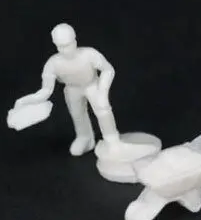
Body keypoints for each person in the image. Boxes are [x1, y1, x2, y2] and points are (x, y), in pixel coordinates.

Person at [13, 23, 121, 156]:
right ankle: (85, 137)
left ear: (74, 41)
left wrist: (103, 93)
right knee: (77, 113)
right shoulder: (53, 63)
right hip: (72, 89)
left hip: (92, 85)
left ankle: (112, 139)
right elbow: (46, 91)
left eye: (68, 45)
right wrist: (25, 101)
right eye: (61, 46)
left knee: (102, 108)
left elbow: (108, 69)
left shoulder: (89, 54)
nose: (65, 50)